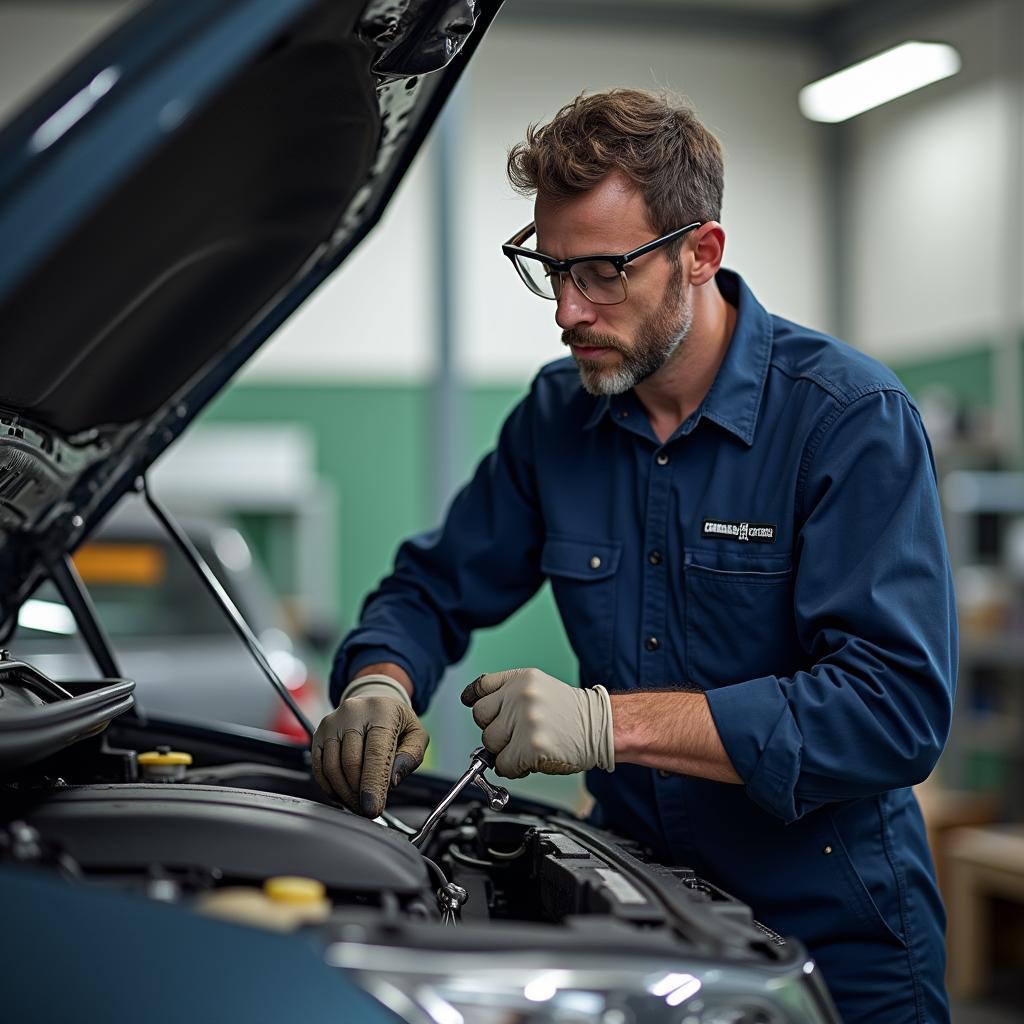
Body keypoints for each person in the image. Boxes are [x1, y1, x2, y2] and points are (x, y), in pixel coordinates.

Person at [311, 89, 957, 1024]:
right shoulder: (555, 419)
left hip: (834, 951)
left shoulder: (847, 422)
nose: (569, 311)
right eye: (552, 269)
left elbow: (894, 711)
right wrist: (376, 682)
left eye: (605, 273)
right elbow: (431, 588)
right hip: (638, 918)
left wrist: (608, 725)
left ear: (701, 255)